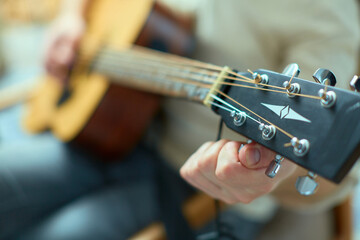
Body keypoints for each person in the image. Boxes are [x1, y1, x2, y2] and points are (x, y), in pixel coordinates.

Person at [0, 0, 359, 239]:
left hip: (195, 187)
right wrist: (71, 16)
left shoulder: (329, 16)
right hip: (112, 126)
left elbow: (328, 150)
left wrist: (276, 172)